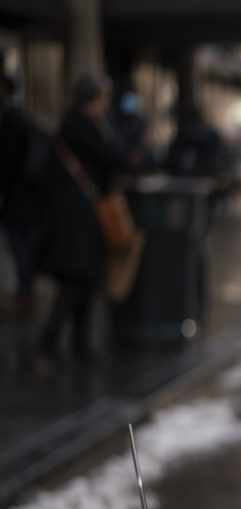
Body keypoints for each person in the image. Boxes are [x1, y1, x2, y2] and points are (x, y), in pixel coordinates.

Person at [36, 73, 134, 362]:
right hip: (77, 212)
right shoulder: (82, 125)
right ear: (95, 98)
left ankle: (79, 341)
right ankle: (52, 336)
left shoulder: (77, 123)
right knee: (80, 277)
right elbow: (115, 155)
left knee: (85, 277)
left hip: (77, 210)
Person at [0, 73, 42, 317]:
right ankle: (25, 293)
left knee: (20, 246)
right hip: (24, 196)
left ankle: (25, 295)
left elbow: (9, 162)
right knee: (21, 245)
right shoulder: (19, 117)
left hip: (18, 197)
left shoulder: (12, 119)